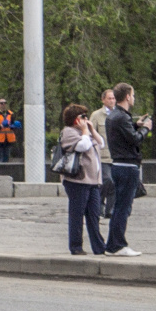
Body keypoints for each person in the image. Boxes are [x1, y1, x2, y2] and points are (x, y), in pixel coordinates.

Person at [100, 84, 147, 258]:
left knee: (119, 206)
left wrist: (135, 125)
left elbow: (123, 135)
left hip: (118, 165)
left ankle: (112, 244)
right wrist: (145, 128)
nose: (133, 98)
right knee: (123, 208)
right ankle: (118, 244)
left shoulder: (114, 116)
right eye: (133, 95)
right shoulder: (122, 117)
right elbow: (134, 140)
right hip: (128, 166)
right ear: (127, 96)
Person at [56, 102, 106, 255]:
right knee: (77, 214)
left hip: (93, 180)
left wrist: (90, 129)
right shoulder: (69, 132)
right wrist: (84, 130)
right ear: (75, 119)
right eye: (83, 117)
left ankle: (99, 246)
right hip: (77, 180)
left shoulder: (86, 132)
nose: (86, 119)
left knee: (94, 214)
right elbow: (82, 146)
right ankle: (76, 246)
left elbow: (101, 143)